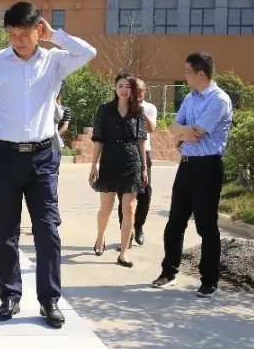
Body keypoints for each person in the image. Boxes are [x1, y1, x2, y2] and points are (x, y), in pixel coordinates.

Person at [0, 1, 97, 328]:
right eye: (11, 34)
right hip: (2, 156)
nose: (17, 41)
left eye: (23, 34)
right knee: (5, 231)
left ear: (38, 30)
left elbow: (89, 52)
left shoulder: (54, 61)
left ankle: (49, 300)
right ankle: (10, 296)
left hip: (42, 157)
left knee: (47, 230)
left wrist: (56, 36)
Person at [152, 52, 234, 297]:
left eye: (188, 71)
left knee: (205, 225)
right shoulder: (190, 97)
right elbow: (173, 127)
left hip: (207, 167)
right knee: (175, 221)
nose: (184, 75)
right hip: (186, 165)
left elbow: (197, 133)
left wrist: (184, 133)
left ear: (201, 73)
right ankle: (169, 272)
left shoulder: (219, 100)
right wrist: (182, 132)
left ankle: (209, 280)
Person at [88, 74, 149, 267]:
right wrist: (93, 165)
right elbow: (98, 139)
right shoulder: (105, 110)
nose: (124, 90)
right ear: (115, 88)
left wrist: (144, 167)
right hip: (109, 161)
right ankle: (100, 237)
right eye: (120, 86)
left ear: (133, 90)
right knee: (106, 209)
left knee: (129, 208)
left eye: (128, 86)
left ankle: (124, 253)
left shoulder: (138, 111)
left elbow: (141, 141)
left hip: (132, 162)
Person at [117, 78, 157, 245]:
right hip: (124, 155)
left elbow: (151, 128)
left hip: (144, 153)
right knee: (124, 195)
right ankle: (126, 234)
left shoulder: (149, 108)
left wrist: (140, 110)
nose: (138, 94)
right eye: (135, 91)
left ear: (144, 92)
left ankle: (138, 225)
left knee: (145, 193)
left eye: (140, 92)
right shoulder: (122, 107)